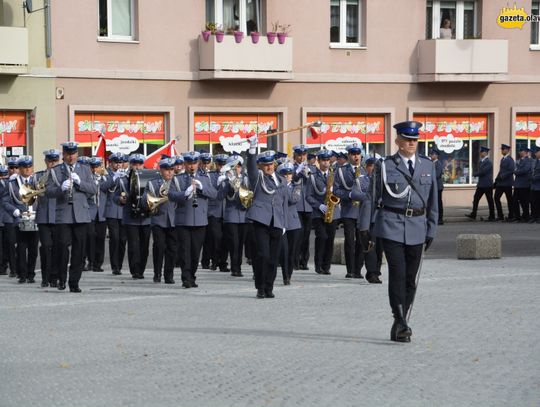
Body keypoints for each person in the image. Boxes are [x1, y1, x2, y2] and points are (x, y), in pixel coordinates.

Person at [365, 121, 438, 343]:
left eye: (415, 140)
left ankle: (400, 322)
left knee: (410, 278)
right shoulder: (386, 166)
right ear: (398, 141)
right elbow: (371, 197)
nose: (412, 143)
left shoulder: (428, 166)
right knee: (397, 272)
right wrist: (365, 228)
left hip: (417, 226)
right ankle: (401, 320)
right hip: (391, 225)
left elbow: (434, 200)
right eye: (407, 139)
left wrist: (431, 228)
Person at [45, 141, 98, 292]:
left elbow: (94, 189)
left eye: (73, 154)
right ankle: (61, 279)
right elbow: (48, 191)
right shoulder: (56, 171)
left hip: (81, 215)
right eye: (68, 154)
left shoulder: (85, 169)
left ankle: (74, 282)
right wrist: (60, 188)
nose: (70, 157)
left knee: (79, 250)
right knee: (62, 247)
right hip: (63, 215)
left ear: (77, 154)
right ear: (63, 155)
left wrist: (80, 183)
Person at [246, 136, 288, 299]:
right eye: (265, 165)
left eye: (271, 164)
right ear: (260, 166)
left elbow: (283, 202)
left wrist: (284, 223)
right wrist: (252, 149)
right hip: (260, 221)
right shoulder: (258, 178)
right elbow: (250, 167)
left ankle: (269, 287)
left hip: (277, 222)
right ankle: (260, 287)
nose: (269, 167)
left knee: (273, 258)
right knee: (262, 255)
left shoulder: (281, 180)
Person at [169, 151, 218, 288]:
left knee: (196, 252)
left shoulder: (205, 178)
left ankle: (192, 275)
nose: (192, 166)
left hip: (200, 219)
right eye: (189, 163)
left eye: (194, 163)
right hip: (183, 220)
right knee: (185, 251)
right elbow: (171, 195)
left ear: (198, 163)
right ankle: (186, 278)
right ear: (185, 164)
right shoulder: (178, 178)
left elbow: (214, 194)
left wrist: (201, 188)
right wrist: (185, 193)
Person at [3, 156, 39, 284]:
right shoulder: (12, 184)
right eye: (24, 167)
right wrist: (14, 211)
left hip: (35, 219)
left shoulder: (36, 181)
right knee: (21, 248)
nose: (27, 170)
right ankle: (22, 274)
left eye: (29, 167)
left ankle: (31, 274)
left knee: (34, 249)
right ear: (20, 169)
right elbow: (5, 201)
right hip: (19, 220)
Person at [114, 154, 151, 279]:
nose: (137, 166)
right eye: (134, 164)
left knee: (144, 246)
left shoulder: (149, 177)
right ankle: (135, 271)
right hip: (130, 217)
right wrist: (120, 199)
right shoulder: (123, 179)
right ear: (130, 164)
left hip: (146, 217)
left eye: (139, 164)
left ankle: (142, 269)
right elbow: (116, 196)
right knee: (133, 246)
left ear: (143, 164)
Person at [143, 157, 178, 284]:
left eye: (171, 169)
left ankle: (169, 275)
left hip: (174, 219)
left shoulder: (176, 182)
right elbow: (144, 199)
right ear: (161, 170)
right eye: (166, 170)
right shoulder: (153, 183)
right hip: (158, 219)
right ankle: (157, 273)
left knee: (172, 249)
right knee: (159, 247)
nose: (169, 172)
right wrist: (153, 199)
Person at [306, 149, 341, 276]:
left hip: (333, 211)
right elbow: (308, 196)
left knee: (330, 239)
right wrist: (319, 205)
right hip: (318, 212)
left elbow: (340, 192)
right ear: (319, 161)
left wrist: (336, 199)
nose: (326, 163)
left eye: (328, 160)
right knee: (321, 237)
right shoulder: (313, 177)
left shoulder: (335, 175)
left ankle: (327, 266)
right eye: (324, 161)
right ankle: (318, 265)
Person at [333, 142, 365, 279]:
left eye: (357, 154)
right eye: (353, 154)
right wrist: (349, 195)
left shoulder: (365, 170)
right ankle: (350, 269)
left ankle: (358, 269)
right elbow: (336, 190)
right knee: (350, 241)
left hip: (362, 210)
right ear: (348, 156)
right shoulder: (341, 171)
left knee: (361, 241)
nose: (355, 157)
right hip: (348, 210)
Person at [34, 150, 61, 286]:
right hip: (44, 217)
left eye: (55, 161)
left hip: (58, 216)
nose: (52, 164)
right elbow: (29, 196)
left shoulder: (63, 177)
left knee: (57, 248)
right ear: (45, 161)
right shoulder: (38, 176)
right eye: (50, 161)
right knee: (45, 247)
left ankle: (54, 277)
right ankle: (45, 277)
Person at [201, 153, 229, 272]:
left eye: (223, 164)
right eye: (219, 164)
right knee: (216, 238)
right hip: (213, 211)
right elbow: (209, 191)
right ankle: (214, 261)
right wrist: (218, 184)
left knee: (226, 239)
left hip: (226, 211)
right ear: (216, 164)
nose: (221, 166)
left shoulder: (230, 175)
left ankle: (223, 263)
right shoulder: (210, 176)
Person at [222, 155, 249, 277]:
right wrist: (230, 183)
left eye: (238, 166)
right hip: (232, 215)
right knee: (234, 243)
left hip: (243, 215)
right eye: (234, 166)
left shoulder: (246, 179)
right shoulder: (225, 180)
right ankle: (234, 267)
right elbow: (224, 196)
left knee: (241, 243)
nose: (237, 168)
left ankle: (238, 266)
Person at [277, 161, 302, 285]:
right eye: (284, 174)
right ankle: (284, 275)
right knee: (283, 251)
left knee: (292, 252)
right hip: (281, 221)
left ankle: (288, 276)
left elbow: (293, 199)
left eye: (289, 174)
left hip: (293, 223)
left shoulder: (296, 186)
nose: (287, 176)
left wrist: (285, 187)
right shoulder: (277, 186)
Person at [291, 144, 314, 271]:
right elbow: (291, 180)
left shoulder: (310, 168)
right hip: (297, 205)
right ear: (295, 156)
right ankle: (295, 261)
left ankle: (304, 261)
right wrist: (298, 172)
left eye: (304, 155)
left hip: (308, 205)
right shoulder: (291, 168)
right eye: (299, 155)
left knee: (306, 235)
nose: (301, 157)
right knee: (297, 235)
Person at [467, 146, 495, 221]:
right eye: (480, 152)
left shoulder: (488, 162)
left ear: (485, 153)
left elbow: (483, 172)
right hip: (481, 184)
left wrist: (474, 174)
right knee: (476, 198)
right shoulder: (481, 161)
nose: (480, 153)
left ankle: (492, 216)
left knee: (490, 200)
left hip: (487, 184)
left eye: (481, 152)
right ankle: (473, 214)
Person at [494, 144, 515, 221]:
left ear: (508, 150)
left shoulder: (510, 160)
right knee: (496, 198)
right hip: (500, 183)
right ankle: (500, 216)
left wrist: (502, 176)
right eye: (502, 149)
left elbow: (511, 170)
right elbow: (501, 171)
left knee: (509, 200)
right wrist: (496, 180)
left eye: (503, 149)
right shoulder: (503, 159)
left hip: (507, 183)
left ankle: (511, 216)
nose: (502, 151)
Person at [512, 147, 532, 222]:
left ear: (525, 152)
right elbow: (514, 169)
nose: (520, 152)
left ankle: (525, 216)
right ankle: (517, 216)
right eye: (520, 151)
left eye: (521, 151)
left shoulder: (528, 160)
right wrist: (516, 171)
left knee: (524, 202)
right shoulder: (519, 161)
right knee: (514, 201)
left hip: (524, 184)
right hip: (517, 184)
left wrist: (516, 171)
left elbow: (525, 170)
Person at [430, 149, 445, 225]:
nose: (431, 156)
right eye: (431, 154)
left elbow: (437, 174)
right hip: (433, 186)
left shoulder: (438, 164)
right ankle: (434, 218)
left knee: (439, 203)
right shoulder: (432, 163)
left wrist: (429, 177)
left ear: (436, 156)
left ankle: (440, 219)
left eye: (432, 154)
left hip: (438, 186)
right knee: (433, 203)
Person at [530, 146, 540, 223]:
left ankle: (538, 217)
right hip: (533, 186)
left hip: (538, 185)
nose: (535, 153)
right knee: (533, 202)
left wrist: (534, 177)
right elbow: (532, 171)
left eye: (536, 152)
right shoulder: (535, 161)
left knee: (538, 202)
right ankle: (534, 216)